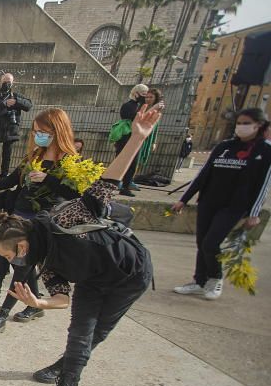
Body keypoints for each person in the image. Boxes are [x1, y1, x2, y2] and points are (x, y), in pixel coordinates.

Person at [0, 105, 162, 386]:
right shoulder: (43, 260)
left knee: (98, 331)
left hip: (129, 274)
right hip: (93, 279)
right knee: (81, 329)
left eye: (9, 255)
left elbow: (106, 186)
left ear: (22, 245)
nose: (12, 262)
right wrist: (38, 304)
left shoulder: (64, 219)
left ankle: (65, 374)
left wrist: (137, 138)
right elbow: (62, 298)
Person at [0, 108, 81, 334]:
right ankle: (35, 303)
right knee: (23, 264)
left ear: (58, 131)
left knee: (22, 265)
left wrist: (49, 180)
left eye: (43, 131)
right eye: (36, 131)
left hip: (41, 223)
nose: (38, 135)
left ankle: (2, 315)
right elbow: (11, 180)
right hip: (19, 216)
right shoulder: (34, 156)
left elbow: (75, 196)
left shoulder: (70, 162)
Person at [170, 107, 271, 300]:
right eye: (239, 123)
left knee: (211, 242)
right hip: (209, 201)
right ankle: (199, 281)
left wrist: (254, 213)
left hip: (235, 206)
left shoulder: (264, 151)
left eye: (246, 123)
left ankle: (215, 278)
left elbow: (264, 184)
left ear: (258, 125)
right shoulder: (224, 147)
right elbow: (203, 174)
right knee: (202, 242)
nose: (241, 127)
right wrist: (183, 199)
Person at [0, 73, 33, 182]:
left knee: (7, 157)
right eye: (5, 81)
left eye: (9, 81)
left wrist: (17, 102)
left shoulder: (16, 96)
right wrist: (3, 104)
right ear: (0, 82)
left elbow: (29, 105)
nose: (7, 83)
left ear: (13, 82)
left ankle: (4, 177)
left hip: (10, 131)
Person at [121, 87, 163, 196]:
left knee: (136, 161)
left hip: (144, 136)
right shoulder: (134, 106)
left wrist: (153, 140)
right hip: (132, 136)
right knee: (129, 161)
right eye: (145, 96)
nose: (147, 98)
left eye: (150, 96)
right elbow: (139, 120)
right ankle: (123, 183)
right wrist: (153, 108)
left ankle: (128, 182)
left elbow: (155, 126)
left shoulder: (154, 109)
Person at [112, 84, 148, 196]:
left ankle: (126, 186)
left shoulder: (139, 106)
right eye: (143, 94)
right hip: (126, 137)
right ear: (136, 93)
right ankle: (116, 184)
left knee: (133, 163)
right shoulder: (128, 106)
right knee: (121, 161)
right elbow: (131, 118)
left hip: (134, 137)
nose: (145, 97)